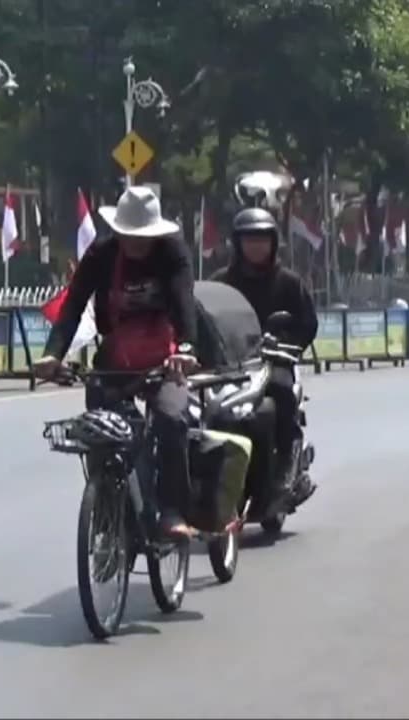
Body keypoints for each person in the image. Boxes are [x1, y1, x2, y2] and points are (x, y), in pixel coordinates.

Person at [32, 186, 200, 539]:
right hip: (116, 357)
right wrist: (53, 354)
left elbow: (184, 301)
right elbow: (74, 305)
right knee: (101, 431)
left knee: (171, 419)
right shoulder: (102, 254)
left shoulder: (172, 253)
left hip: (165, 358)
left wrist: (185, 348)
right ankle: (108, 515)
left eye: (143, 237)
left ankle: (171, 509)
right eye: (129, 236)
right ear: (118, 231)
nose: (136, 244)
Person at [209, 206, 317, 503]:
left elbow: (307, 324)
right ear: (238, 243)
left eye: (261, 239)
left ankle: (286, 459)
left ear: (273, 243)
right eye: (249, 239)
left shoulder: (289, 283)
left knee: (279, 393)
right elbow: (204, 319)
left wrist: (285, 344)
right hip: (230, 364)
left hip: (273, 361)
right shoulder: (221, 281)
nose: (255, 245)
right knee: (199, 405)